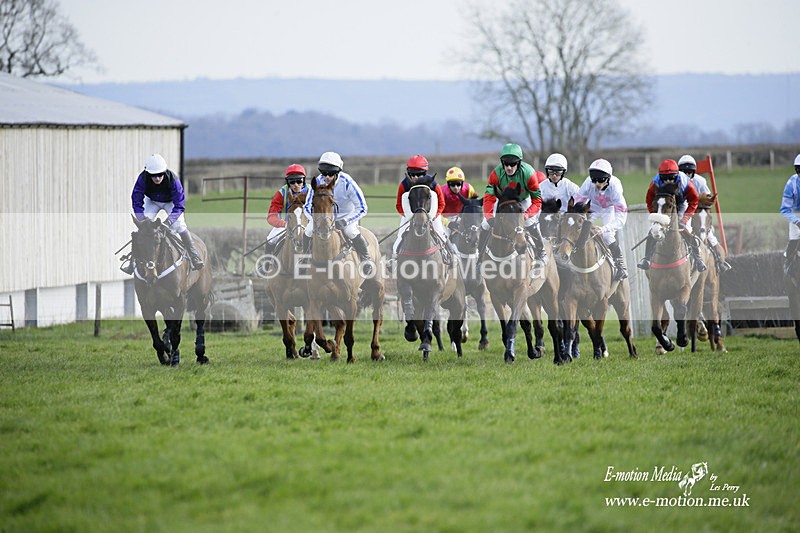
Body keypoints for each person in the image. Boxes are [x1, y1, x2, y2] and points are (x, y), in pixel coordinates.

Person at [123, 153, 204, 274]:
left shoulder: (173, 181)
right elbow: (136, 200)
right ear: (148, 174)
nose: (157, 178)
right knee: (143, 228)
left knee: (180, 225)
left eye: (160, 174)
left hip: (170, 202)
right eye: (153, 175)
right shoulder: (142, 179)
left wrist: (169, 222)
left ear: (164, 172)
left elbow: (179, 205)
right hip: (152, 201)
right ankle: (132, 262)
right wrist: (142, 218)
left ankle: (194, 255)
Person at [303, 151, 373, 274]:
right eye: (324, 173)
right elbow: (307, 206)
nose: (327, 177)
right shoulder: (318, 182)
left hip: (347, 216)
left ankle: (366, 258)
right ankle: (305, 258)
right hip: (322, 218)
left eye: (331, 173)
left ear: (338, 172)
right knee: (308, 230)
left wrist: (346, 221)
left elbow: (362, 207)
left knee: (350, 231)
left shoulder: (348, 183)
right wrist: (315, 219)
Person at [479, 143, 547, 261]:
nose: (509, 168)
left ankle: (541, 251)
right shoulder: (496, 173)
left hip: (522, 200)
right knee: (485, 223)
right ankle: (479, 257)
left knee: (530, 222)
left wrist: (526, 214)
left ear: (519, 163)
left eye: (512, 164)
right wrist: (489, 217)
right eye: (506, 164)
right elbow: (489, 197)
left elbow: (537, 201)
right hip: (503, 201)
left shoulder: (529, 173)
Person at [638, 159, 706, 272]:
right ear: (660, 177)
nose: (668, 180)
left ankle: (698, 258)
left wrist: (685, 218)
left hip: (681, 203)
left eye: (671, 178)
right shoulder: (654, 182)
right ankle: (647, 259)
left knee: (686, 228)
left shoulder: (685, 182)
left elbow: (694, 201)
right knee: (653, 229)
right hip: (664, 204)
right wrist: (656, 216)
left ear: (677, 175)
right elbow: (649, 201)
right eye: (665, 179)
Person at [572, 158, 629, 281]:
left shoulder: (615, 189)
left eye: (601, 180)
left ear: (608, 178)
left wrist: (604, 229)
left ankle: (620, 265)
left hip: (609, 210)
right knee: (581, 232)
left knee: (608, 236)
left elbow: (621, 218)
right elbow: (578, 201)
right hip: (593, 207)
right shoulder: (588, 183)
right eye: (594, 180)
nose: (597, 183)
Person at [678, 155, 732, 272]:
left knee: (708, 235)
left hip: (697, 212)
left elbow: (708, 201)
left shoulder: (700, 181)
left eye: (689, 172)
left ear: (694, 172)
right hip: (681, 212)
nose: (687, 175)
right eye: (684, 172)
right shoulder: (676, 181)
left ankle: (719, 260)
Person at [391, 155, 447, 261]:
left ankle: (446, 255)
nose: (415, 177)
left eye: (419, 174)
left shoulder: (434, 184)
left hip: (432, 214)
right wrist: (409, 216)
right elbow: (399, 205)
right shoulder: (404, 185)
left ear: (425, 173)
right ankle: (395, 259)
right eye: (412, 174)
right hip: (410, 215)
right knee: (400, 236)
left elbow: (441, 203)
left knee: (440, 233)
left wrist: (433, 217)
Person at [264, 164, 309, 257]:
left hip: (308, 225)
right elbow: (271, 217)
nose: (296, 185)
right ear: (288, 182)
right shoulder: (281, 193)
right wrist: (283, 224)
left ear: (304, 180)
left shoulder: (312, 191)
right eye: (292, 181)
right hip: (286, 225)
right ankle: (267, 265)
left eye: (299, 181)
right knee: (270, 239)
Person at [440, 166, 478, 238]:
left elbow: (475, 206)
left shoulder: (469, 189)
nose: (456, 187)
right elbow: (436, 214)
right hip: (443, 219)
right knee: (444, 238)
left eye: (458, 184)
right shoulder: (442, 192)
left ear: (462, 183)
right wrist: (448, 223)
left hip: (460, 217)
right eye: (452, 184)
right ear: (448, 184)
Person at [780, 153, 800, 274]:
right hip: (796, 215)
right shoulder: (791, 184)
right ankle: (788, 264)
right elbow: (784, 209)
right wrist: (797, 222)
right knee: (794, 240)